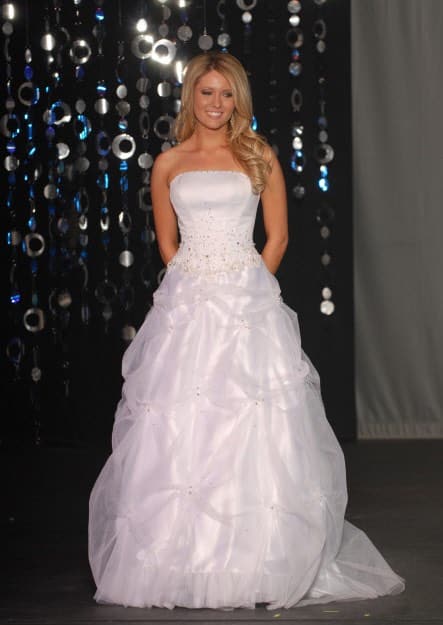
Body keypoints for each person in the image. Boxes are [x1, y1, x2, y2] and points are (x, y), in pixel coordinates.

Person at [88, 51, 404, 610]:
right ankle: (184, 560)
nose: (216, 103)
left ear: (239, 99)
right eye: (207, 92)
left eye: (227, 93)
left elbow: (277, 237)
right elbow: (168, 244)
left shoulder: (257, 155)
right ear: (191, 95)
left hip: (247, 303)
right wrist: (196, 287)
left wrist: (248, 289)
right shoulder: (168, 163)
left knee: (253, 423)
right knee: (184, 425)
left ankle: (259, 559)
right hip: (189, 305)